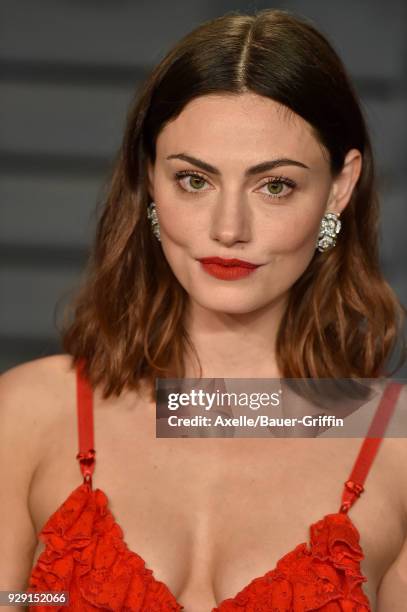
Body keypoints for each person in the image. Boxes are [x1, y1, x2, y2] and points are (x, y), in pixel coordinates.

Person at [0, 7, 406, 611]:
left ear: (340, 187)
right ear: (150, 178)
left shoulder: (397, 450)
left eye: (275, 186)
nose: (228, 229)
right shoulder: (31, 416)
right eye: (195, 180)